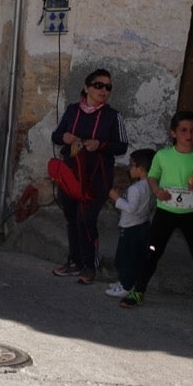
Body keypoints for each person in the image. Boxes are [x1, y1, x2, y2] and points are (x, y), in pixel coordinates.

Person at [120, 111, 193, 311]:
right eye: (183, 130)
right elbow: (152, 177)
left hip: (191, 215)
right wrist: (157, 191)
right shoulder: (163, 156)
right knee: (152, 252)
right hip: (165, 213)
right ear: (173, 133)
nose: (189, 135)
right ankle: (138, 291)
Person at [50, 68, 129, 284]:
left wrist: (100, 144)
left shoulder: (113, 116)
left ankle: (89, 266)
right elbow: (56, 136)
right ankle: (74, 262)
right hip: (71, 174)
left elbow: (121, 146)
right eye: (99, 85)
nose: (104, 90)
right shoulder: (72, 111)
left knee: (86, 219)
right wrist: (64, 137)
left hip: (97, 177)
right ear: (86, 88)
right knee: (71, 218)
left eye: (108, 87)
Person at [105, 148, 155, 298]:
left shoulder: (135, 188)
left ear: (141, 169)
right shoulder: (152, 185)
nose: (129, 168)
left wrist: (116, 198)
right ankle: (125, 281)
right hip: (143, 224)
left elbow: (130, 208)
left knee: (126, 258)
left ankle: (126, 285)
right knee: (134, 256)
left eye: (132, 165)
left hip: (130, 227)